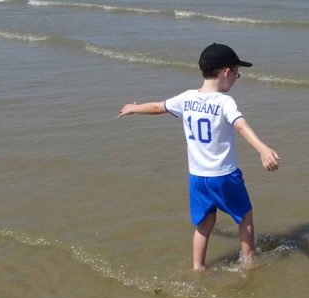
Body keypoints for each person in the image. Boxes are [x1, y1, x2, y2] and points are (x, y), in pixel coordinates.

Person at [118, 43, 280, 271]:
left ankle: (198, 267)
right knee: (244, 216)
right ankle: (249, 262)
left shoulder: (187, 98)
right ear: (226, 72)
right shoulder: (225, 102)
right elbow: (241, 126)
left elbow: (157, 107)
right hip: (224, 176)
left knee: (204, 224)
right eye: (236, 73)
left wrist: (134, 109)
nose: (236, 78)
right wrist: (262, 149)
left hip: (197, 177)